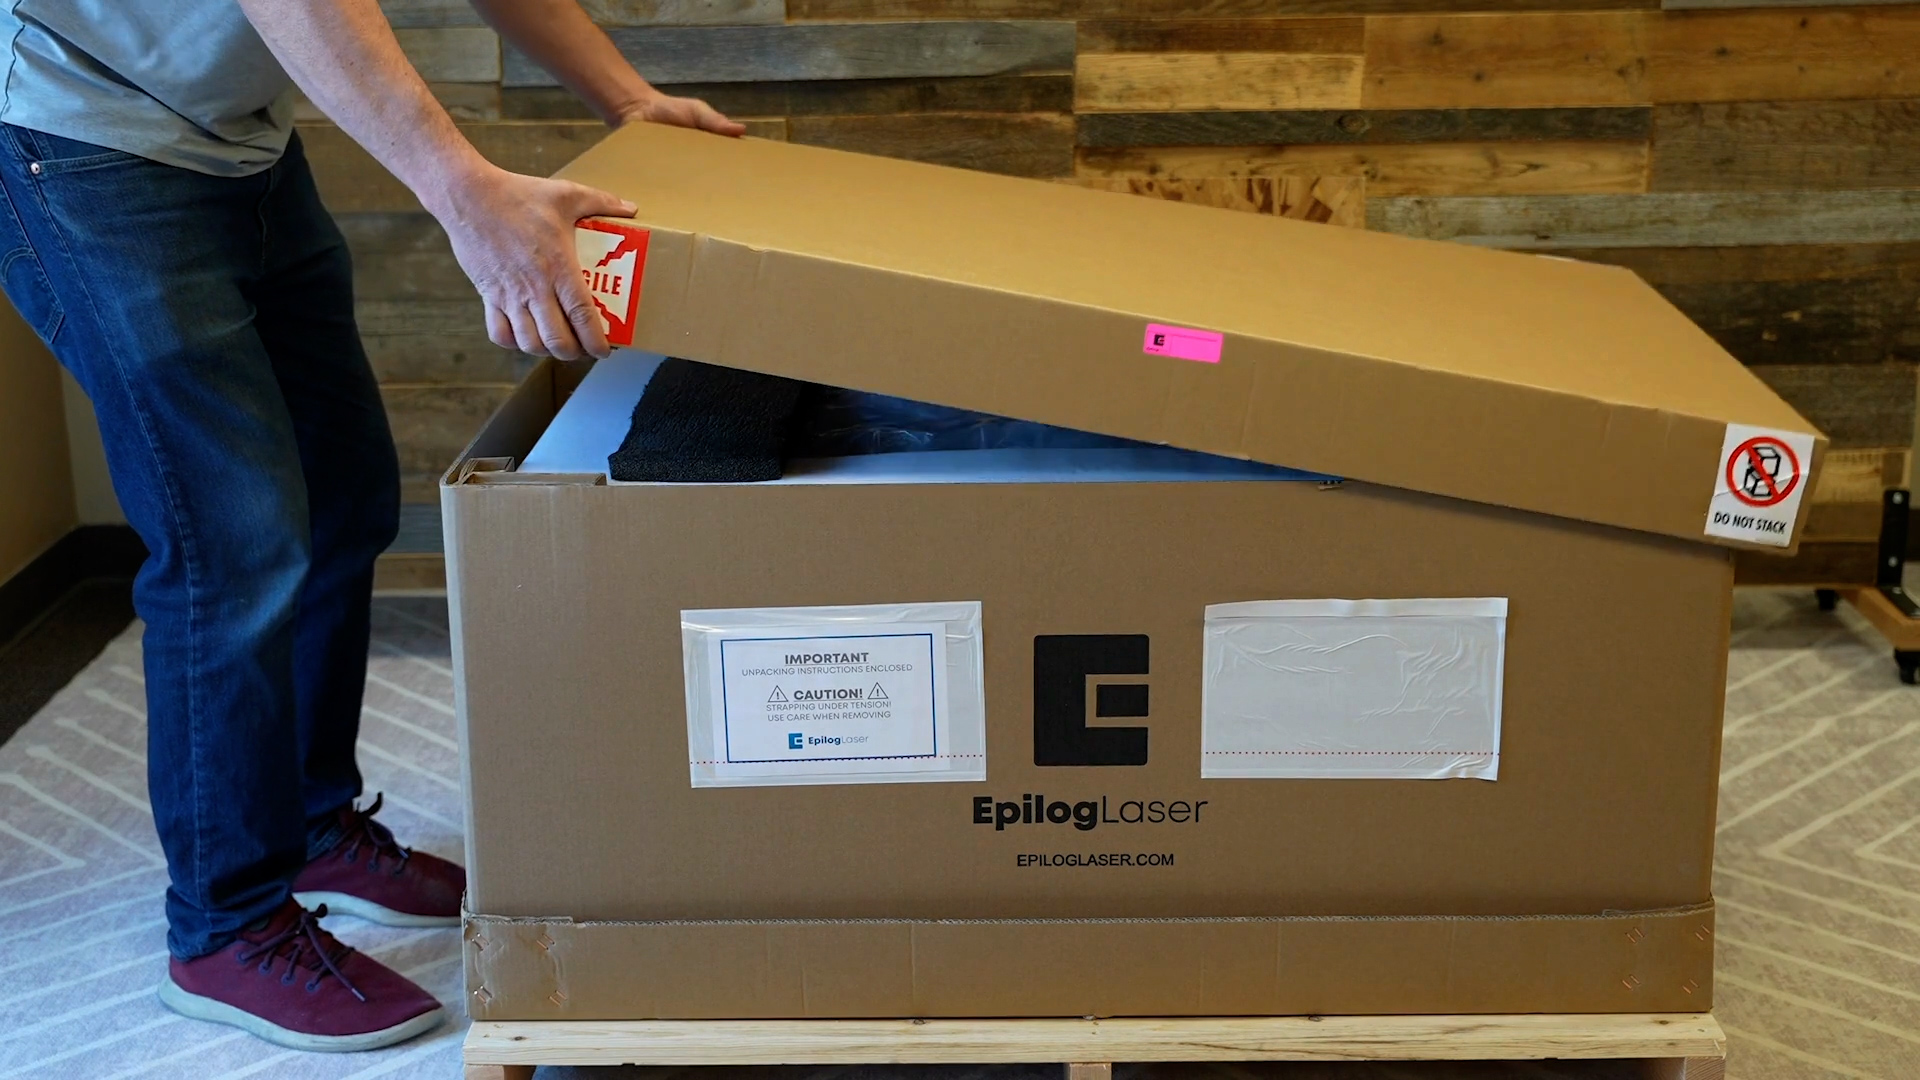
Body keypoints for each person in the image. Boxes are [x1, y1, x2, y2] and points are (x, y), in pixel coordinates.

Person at [0, 0, 741, 1054]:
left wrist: (629, 100)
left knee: (344, 492)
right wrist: (465, 193)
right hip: (82, 138)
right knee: (232, 544)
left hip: (241, 139)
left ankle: (311, 820)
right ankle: (225, 926)